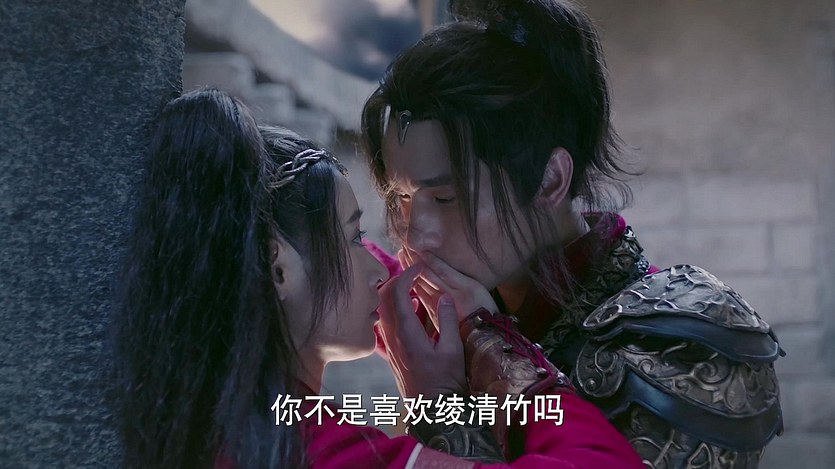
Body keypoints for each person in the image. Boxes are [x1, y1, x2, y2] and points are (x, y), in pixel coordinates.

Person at [114, 88, 643, 468]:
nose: (378, 263)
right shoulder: (326, 450)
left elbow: (379, 276)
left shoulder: (222, 421)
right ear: (278, 267)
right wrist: (491, 342)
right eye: (353, 236)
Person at [361, 0, 784, 467]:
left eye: (446, 199)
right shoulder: (445, 312)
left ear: (549, 180)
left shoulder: (684, 338)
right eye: (402, 198)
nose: (416, 235)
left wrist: (446, 396)